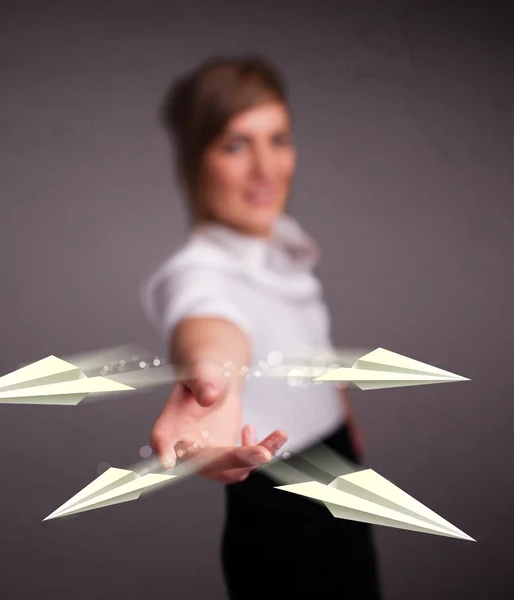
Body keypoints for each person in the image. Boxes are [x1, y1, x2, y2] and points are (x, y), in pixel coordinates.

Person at [140, 54, 381, 599]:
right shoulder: (196, 271)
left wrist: (339, 411)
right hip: (285, 518)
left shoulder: (280, 245)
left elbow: (298, 337)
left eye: (278, 139)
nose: (266, 169)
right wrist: (211, 379)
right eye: (235, 145)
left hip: (340, 478)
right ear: (196, 160)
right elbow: (209, 324)